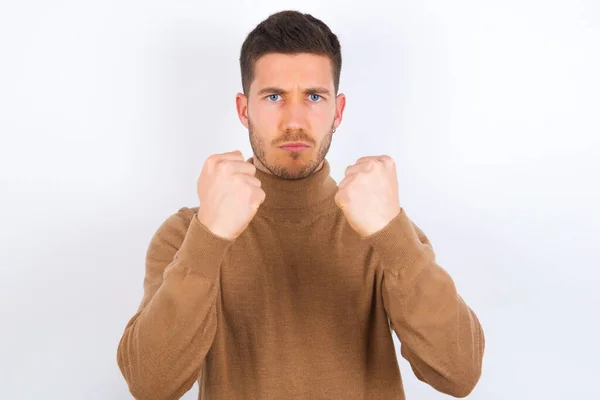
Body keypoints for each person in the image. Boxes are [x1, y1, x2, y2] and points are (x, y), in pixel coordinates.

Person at [116, 10, 485, 400]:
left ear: (337, 111)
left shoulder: (384, 227)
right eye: (274, 96)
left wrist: (393, 236)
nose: (295, 120)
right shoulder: (187, 234)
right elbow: (150, 384)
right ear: (244, 110)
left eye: (313, 96)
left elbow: (459, 374)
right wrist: (209, 237)